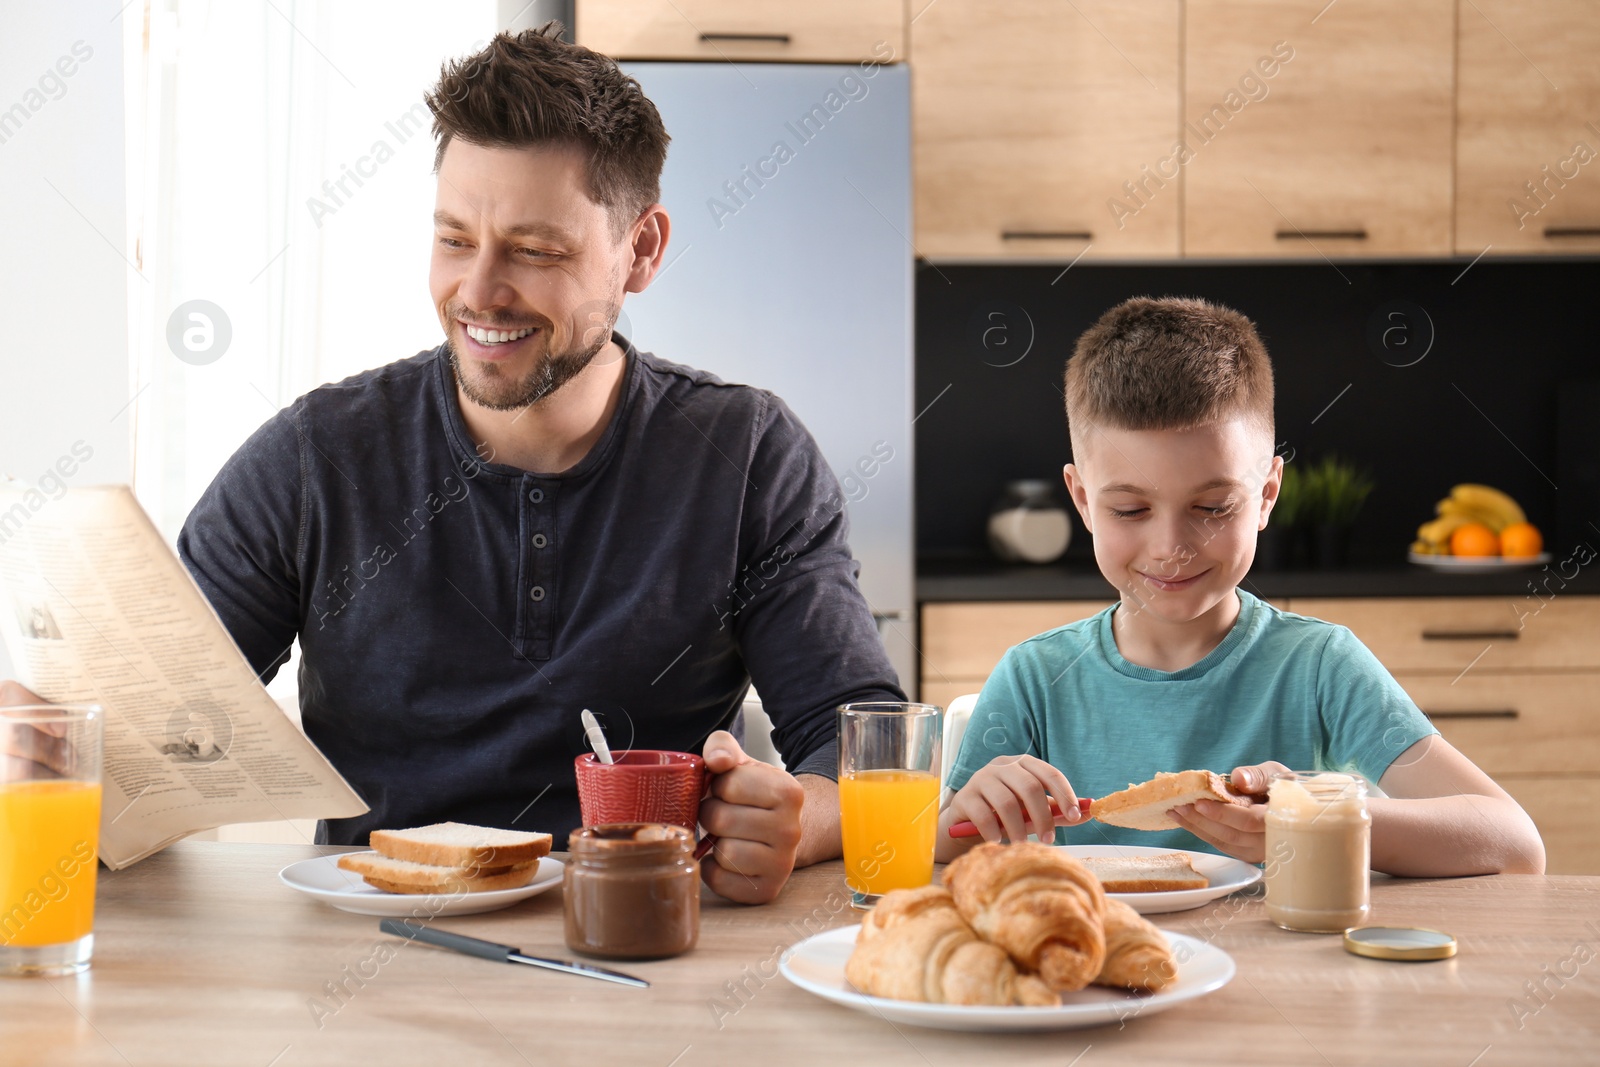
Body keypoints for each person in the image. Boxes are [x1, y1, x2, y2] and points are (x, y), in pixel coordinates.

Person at [3, 26, 905, 904]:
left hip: (641, 947)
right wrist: (45, 748)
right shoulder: (317, 458)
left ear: (642, 250)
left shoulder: (746, 454)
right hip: (373, 955)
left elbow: (863, 745)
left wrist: (799, 819)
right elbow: (145, 741)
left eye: (534, 250)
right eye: (454, 239)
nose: (477, 291)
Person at [935, 296, 1545, 875]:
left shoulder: (1318, 667)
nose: (1171, 546)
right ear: (1082, 501)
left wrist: (1318, 820)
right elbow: (939, 847)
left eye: (1213, 507)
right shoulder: (1036, 678)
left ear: (1266, 496)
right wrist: (965, 817)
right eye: (1130, 511)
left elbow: (1514, 843)